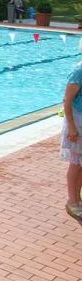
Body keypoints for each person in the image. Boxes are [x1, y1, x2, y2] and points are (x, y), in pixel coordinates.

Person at [61, 62, 82, 219]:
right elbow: (67, 101)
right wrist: (72, 127)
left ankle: (77, 198)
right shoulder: (79, 72)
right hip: (77, 124)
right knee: (75, 164)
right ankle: (72, 202)